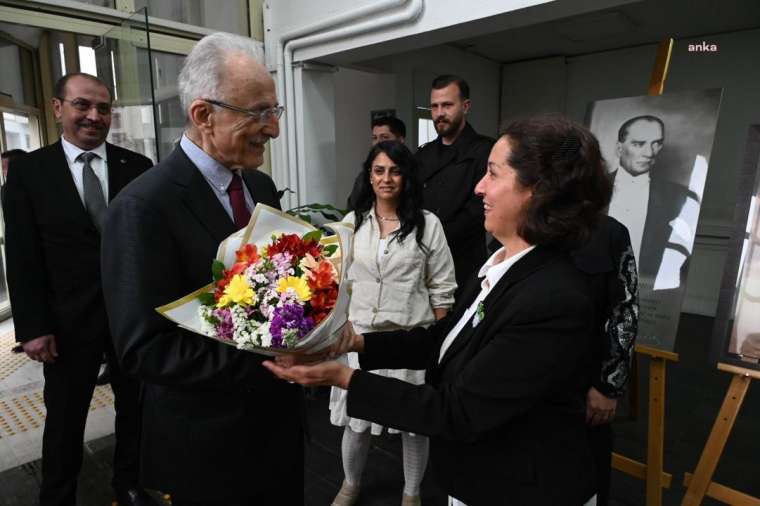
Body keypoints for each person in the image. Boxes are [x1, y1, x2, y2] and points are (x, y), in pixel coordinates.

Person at [265, 114, 614, 505]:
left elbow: (456, 411)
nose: (479, 188)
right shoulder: (503, 266)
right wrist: (356, 342)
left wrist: (342, 378)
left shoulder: (553, 298)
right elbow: (442, 339)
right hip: (477, 474)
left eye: (493, 174)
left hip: (517, 487)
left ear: (538, 190)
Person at [100, 32, 302, 506]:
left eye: (275, 111)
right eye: (258, 113)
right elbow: (144, 351)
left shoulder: (261, 186)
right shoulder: (142, 208)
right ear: (203, 115)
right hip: (208, 448)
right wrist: (269, 359)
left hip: (281, 431)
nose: (272, 129)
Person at [3, 73, 153, 506]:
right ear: (57, 108)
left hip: (131, 322)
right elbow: (22, 255)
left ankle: (129, 485)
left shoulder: (136, 168)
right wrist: (32, 327)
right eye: (82, 105)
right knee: (65, 420)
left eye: (103, 108)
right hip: (66, 325)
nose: (94, 116)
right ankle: (57, 495)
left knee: (136, 412)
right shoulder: (30, 173)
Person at [330, 140, 456, 506]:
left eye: (396, 171)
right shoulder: (352, 223)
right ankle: (350, 484)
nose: (387, 179)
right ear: (369, 177)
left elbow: (443, 287)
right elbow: (334, 280)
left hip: (409, 339)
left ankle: (411, 493)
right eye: (379, 170)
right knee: (356, 423)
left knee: (413, 427)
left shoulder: (427, 224)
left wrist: (436, 344)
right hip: (360, 337)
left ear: (407, 177)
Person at [572, 215, 639, 506]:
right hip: (529, 389)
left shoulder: (609, 232)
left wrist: (609, 385)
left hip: (586, 386)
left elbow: (625, 312)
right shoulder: (517, 222)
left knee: (586, 478)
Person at [415, 75, 494, 296]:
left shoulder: (486, 150)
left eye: (447, 105)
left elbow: (478, 211)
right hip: (421, 266)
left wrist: (432, 241)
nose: (440, 113)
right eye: (434, 106)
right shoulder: (423, 154)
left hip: (463, 266)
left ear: (465, 106)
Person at [608, 115, 689, 289]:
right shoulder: (588, 189)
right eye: (638, 144)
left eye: (656, 143)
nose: (649, 153)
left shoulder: (679, 197)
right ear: (619, 148)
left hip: (647, 297)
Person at [346, 116, 406, 211]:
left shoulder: (414, 170)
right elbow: (353, 206)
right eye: (375, 138)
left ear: (401, 140)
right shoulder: (365, 175)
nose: (378, 143)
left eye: (384, 137)